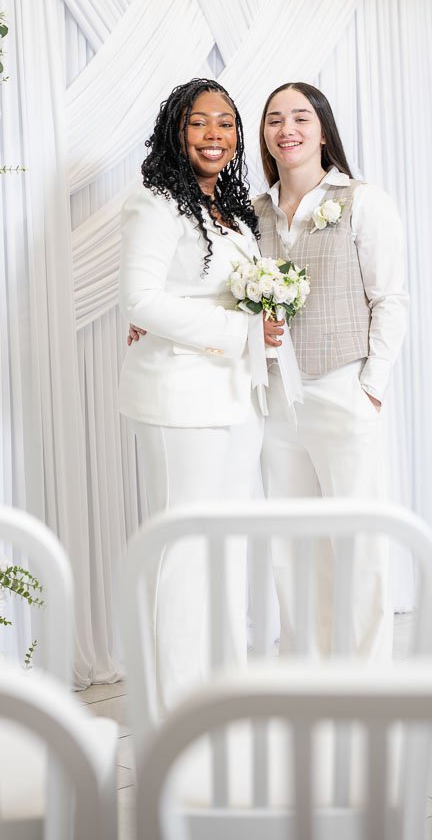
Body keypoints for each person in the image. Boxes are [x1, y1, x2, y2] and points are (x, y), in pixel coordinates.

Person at [117, 77, 279, 707]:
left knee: (228, 547)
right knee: (182, 552)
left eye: (226, 124)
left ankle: (225, 692)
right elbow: (141, 300)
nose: (216, 135)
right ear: (176, 132)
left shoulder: (232, 212)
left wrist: (261, 329)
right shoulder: (154, 204)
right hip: (179, 398)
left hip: (238, 397)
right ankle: (175, 706)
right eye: (200, 123)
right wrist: (238, 329)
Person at [254, 81, 408, 663]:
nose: (286, 129)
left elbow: (390, 298)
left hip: (344, 386)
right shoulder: (255, 213)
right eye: (274, 120)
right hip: (277, 399)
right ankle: (306, 673)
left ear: (322, 128)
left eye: (299, 117)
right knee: (293, 546)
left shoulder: (362, 200)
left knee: (359, 540)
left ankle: (368, 677)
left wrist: (371, 387)